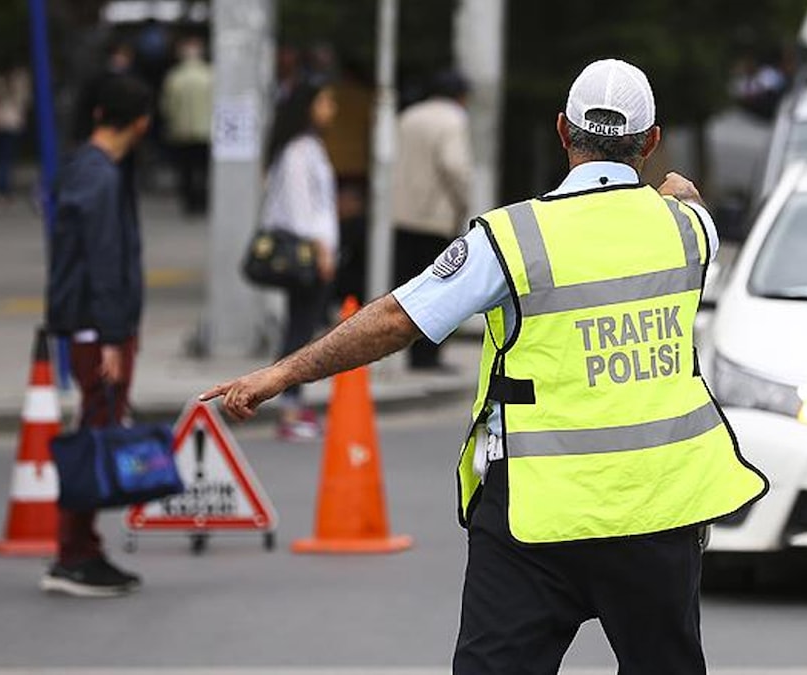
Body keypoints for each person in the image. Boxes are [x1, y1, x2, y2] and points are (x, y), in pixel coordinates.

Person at [204, 59, 768, 674]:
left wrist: (281, 375)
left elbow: (398, 318)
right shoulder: (689, 230)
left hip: (535, 514)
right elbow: (685, 196)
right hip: (658, 510)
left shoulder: (512, 238)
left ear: (562, 131)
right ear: (652, 140)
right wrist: (676, 189)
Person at [43, 75, 152, 597]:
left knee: (96, 426)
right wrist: (113, 337)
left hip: (92, 324)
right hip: (97, 328)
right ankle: (74, 554)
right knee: (95, 434)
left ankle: (81, 548)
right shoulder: (101, 177)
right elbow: (104, 262)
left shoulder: (83, 167)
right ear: (141, 122)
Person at [258, 83, 340, 441]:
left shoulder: (308, 146)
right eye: (325, 100)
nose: (331, 107)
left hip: (315, 250)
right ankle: (289, 406)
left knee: (302, 326)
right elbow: (299, 209)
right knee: (299, 330)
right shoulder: (298, 150)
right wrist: (321, 250)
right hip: (307, 254)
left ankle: (293, 402)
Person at [391, 69, 472, 371]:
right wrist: (463, 202)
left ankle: (412, 353)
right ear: (461, 96)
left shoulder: (408, 116)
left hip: (402, 213)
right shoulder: (453, 119)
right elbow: (454, 165)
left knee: (409, 286)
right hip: (435, 216)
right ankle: (428, 356)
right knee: (440, 289)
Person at [160, 37, 213, 215]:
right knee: (203, 168)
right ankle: (202, 200)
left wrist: (171, 123)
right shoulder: (210, 75)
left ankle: (190, 201)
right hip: (206, 130)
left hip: (182, 130)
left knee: (186, 169)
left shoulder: (175, 77)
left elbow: (167, 105)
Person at [0, 64, 32, 210]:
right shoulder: (19, 79)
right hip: (12, 122)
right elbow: (25, 100)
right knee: (7, 158)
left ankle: (2, 190)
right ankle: (4, 190)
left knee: (2, 157)